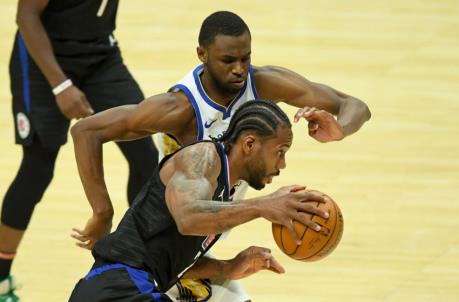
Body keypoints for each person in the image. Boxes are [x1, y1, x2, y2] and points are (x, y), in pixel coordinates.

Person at [70, 10, 371, 302]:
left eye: (245, 58)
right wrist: (102, 212)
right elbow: (86, 131)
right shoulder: (180, 110)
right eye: (228, 60)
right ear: (202, 54)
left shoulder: (264, 83)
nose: (239, 69)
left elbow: (355, 105)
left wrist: (340, 129)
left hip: (192, 247)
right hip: (163, 238)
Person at [69, 99, 332, 301]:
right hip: (119, 289)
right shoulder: (203, 157)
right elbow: (187, 218)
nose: (282, 164)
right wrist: (263, 205)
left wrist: (228, 268)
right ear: (250, 144)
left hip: (122, 287)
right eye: (280, 152)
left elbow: (170, 261)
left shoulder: (222, 186)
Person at [0, 1, 159, 300]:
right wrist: (61, 86)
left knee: (145, 155)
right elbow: (25, 14)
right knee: (37, 168)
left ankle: (143, 264)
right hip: (44, 57)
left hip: (100, 54)